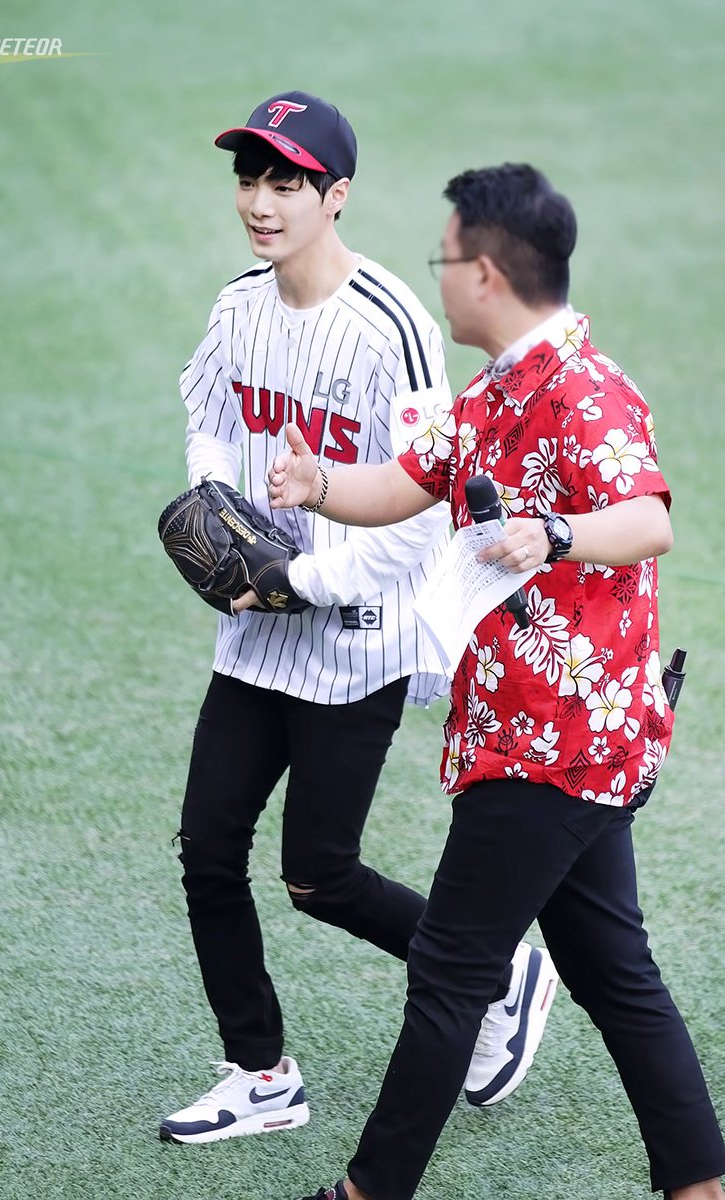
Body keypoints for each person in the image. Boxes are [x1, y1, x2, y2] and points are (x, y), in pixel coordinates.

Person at [267, 164, 725, 1199]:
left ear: (483, 272)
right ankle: (699, 1185)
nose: (437, 276)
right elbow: (409, 480)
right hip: (559, 737)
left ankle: (365, 1192)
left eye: (442, 258)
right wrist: (318, 484)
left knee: (449, 972)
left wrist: (552, 533)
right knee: (612, 972)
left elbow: (646, 517)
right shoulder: (491, 393)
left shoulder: (586, 391)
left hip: (551, 739)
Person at [160, 99, 558, 1146]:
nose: (261, 203)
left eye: (286, 184)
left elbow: (424, 506)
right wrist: (220, 508)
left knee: (318, 875)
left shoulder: (391, 323)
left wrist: (298, 578)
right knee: (206, 847)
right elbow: (208, 419)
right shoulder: (237, 307)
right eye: (250, 180)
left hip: (358, 638)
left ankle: (498, 976)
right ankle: (260, 1074)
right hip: (256, 631)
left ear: (334, 195)